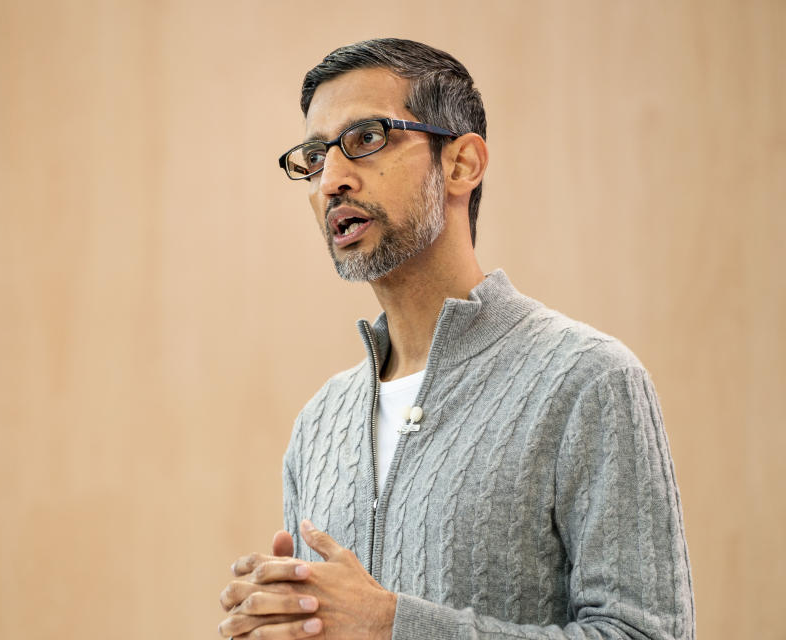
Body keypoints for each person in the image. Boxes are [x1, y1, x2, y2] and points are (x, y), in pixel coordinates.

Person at [217, 38, 694, 640]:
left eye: (366, 140)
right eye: (314, 157)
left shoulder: (588, 379)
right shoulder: (319, 424)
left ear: (462, 164)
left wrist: (394, 625)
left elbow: (647, 634)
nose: (331, 179)